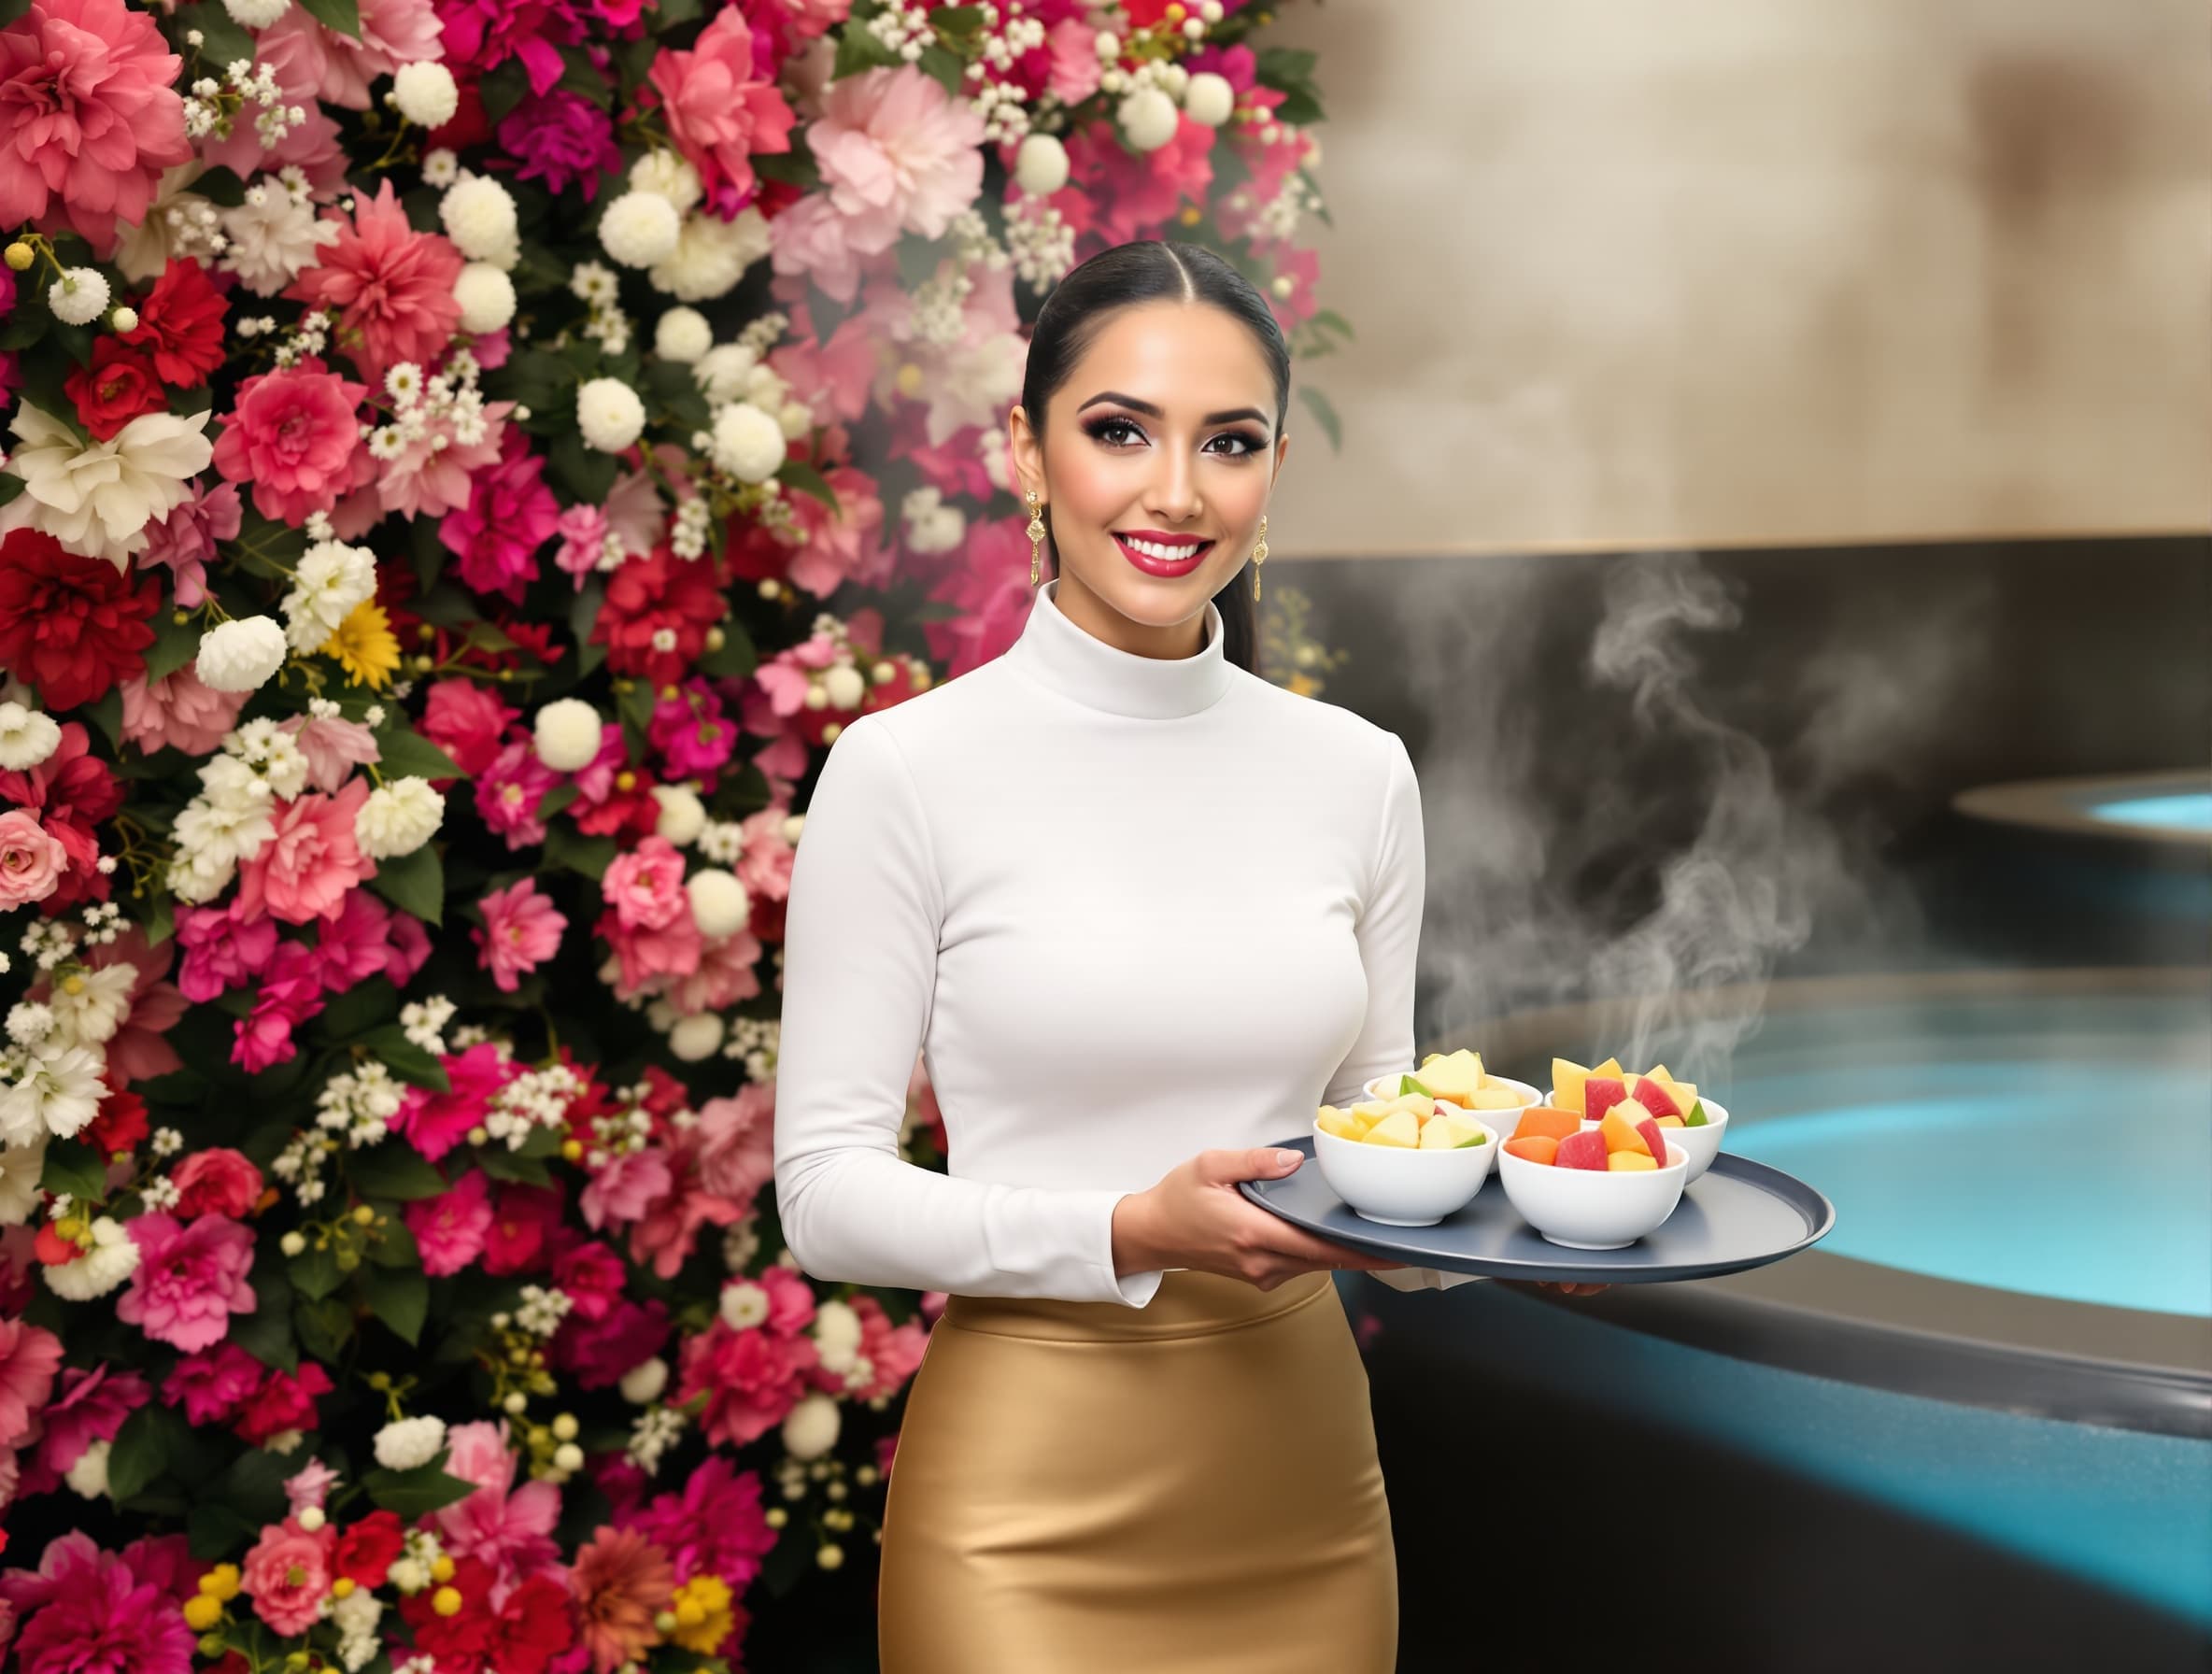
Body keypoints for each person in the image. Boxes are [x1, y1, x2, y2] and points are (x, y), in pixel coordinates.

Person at [773, 239, 1596, 1674]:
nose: (1174, 493)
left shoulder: (1355, 773)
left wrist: (1525, 1232)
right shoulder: (906, 770)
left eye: (1228, 443)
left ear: (1274, 469)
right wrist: (1127, 1232)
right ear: (1024, 454)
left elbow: (1374, 1158)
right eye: (1118, 432)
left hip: (1301, 1496)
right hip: (1022, 1507)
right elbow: (825, 1200)